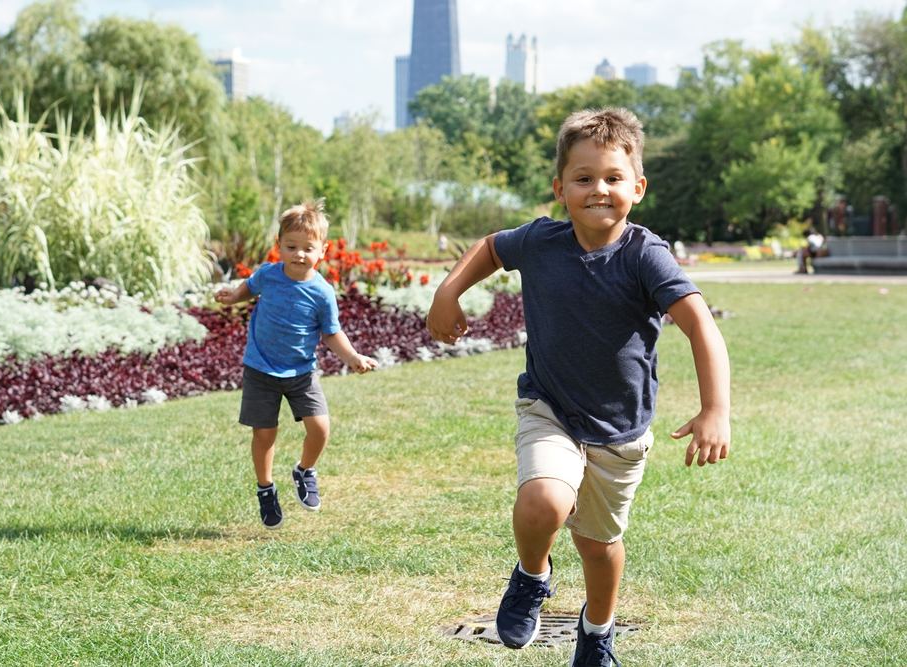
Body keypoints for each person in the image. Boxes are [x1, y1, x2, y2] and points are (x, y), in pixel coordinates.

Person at [426, 108, 731, 666]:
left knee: (597, 546)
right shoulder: (542, 241)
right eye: (583, 178)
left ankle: (596, 632)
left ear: (637, 188)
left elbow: (700, 325)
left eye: (613, 178)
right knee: (544, 499)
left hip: (621, 430)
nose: (599, 190)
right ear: (559, 188)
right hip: (550, 408)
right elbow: (493, 247)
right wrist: (449, 291)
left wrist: (716, 409)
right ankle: (531, 576)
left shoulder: (646, 256)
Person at [215, 200, 377, 529]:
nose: (299, 254)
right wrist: (233, 296)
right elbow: (250, 287)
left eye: (307, 248)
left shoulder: (321, 293)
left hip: (301, 372)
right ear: (279, 246)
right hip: (260, 369)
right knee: (265, 433)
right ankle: (265, 489)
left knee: (320, 428)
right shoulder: (268, 275)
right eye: (291, 247)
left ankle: (304, 470)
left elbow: (332, 333)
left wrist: (353, 358)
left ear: (323, 251)